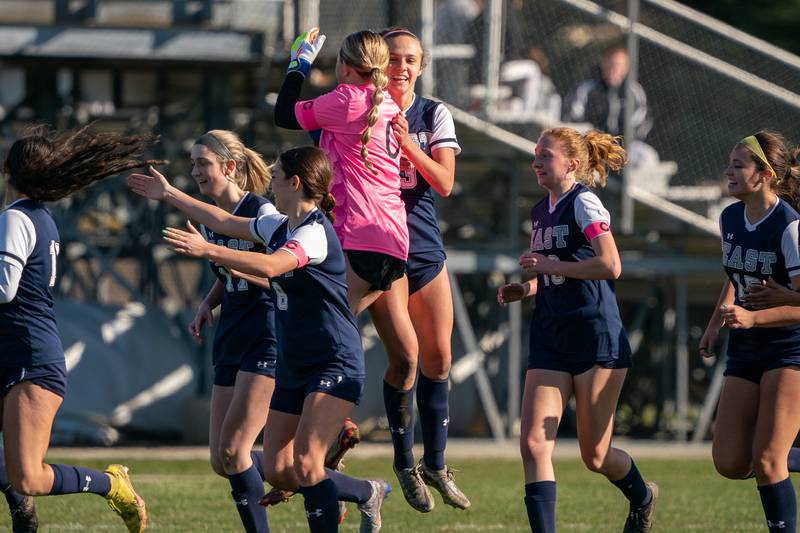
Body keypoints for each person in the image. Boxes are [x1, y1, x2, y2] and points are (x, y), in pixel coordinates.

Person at [128, 146, 390, 533]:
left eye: (277, 176)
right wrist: (169, 194)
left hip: (333, 360)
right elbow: (222, 219)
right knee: (282, 472)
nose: (270, 183)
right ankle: (368, 492)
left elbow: (271, 265)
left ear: (295, 183)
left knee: (305, 465)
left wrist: (208, 249)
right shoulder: (279, 226)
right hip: (294, 363)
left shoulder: (314, 233)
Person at [497, 127, 658, 533]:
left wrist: (548, 267)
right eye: (535, 153)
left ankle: (643, 496)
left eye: (545, 155)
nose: (536, 161)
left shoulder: (585, 203)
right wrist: (528, 287)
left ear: (571, 164)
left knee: (596, 456)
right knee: (533, 444)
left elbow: (610, 265)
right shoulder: (538, 211)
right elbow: (559, 271)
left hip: (595, 338)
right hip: (551, 336)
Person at [0, 125, 152, 533]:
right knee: (20, 474)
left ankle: (110, 484)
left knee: (28, 477)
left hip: (29, 360)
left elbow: (4, 288)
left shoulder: (16, 217)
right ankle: (23, 517)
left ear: (5, 170)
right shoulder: (39, 217)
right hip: (16, 352)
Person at [365, 27, 470, 513]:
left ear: (421, 66)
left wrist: (407, 145)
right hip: (383, 248)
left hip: (425, 246)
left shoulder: (432, 113)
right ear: (378, 64)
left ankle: (436, 462)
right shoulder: (359, 111)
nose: (401, 68)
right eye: (393, 59)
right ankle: (404, 462)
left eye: (410, 60)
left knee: (440, 360)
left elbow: (445, 182)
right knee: (405, 359)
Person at [699, 131, 800, 533]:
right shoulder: (729, 218)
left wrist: (758, 317)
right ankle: (785, 446)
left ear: (764, 175)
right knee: (729, 461)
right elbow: (737, 278)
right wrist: (714, 325)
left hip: (789, 350)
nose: (728, 171)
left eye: (738, 165)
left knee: (767, 462)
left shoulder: (790, 227)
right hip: (745, 348)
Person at [274, 28, 408, 316]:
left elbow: (283, 114)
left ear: (344, 67)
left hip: (357, 236)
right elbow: (326, 134)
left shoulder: (346, 99)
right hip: (393, 241)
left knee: (319, 329)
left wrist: (299, 65)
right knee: (338, 330)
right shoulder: (387, 103)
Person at [185, 130, 276, 533]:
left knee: (235, 451)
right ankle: (337, 483)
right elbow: (226, 271)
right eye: (193, 164)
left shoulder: (263, 212)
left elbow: (282, 277)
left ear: (230, 166)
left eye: (202, 163)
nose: (196, 172)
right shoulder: (209, 216)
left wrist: (230, 263)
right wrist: (209, 302)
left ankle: (310, 476)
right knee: (221, 461)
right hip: (231, 333)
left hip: (265, 332)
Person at [562, 44, 651, 141]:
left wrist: (621, 140)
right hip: (589, 141)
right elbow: (573, 116)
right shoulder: (586, 88)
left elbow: (642, 119)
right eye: (609, 64)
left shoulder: (634, 91)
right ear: (603, 64)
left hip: (623, 143)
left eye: (617, 65)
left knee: (645, 154)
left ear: (626, 69)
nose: (613, 70)